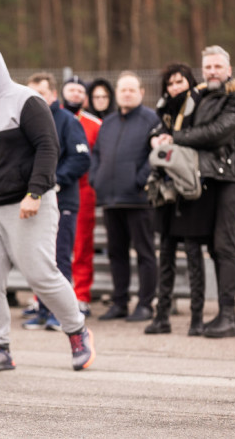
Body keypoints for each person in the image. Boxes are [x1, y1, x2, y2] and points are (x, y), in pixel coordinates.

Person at [0, 40, 95, 373]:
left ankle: (77, 331)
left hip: (28, 202)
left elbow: (48, 147)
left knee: (41, 274)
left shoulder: (26, 101)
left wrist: (35, 192)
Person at [171, 45, 235, 338]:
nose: (211, 72)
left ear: (229, 70)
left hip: (231, 179)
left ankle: (228, 317)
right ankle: (214, 316)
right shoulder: (202, 98)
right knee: (207, 245)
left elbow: (215, 133)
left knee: (224, 245)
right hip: (207, 178)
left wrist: (175, 138)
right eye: (207, 67)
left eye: (217, 67)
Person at [145, 63, 212, 336]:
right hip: (167, 191)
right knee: (167, 254)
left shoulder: (202, 106)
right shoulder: (164, 112)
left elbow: (204, 137)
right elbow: (154, 133)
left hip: (192, 190)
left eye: (180, 82)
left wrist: (172, 139)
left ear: (189, 82)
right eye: (170, 83)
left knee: (194, 255)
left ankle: (196, 319)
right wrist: (155, 139)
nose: (175, 88)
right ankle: (162, 316)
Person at [23, 72, 90, 330]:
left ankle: (61, 315)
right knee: (39, 258)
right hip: (34, 200)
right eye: (31, 93)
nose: (35, 98)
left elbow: (81, 158)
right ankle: (42, 309)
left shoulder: (68, 121)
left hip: (63, 201)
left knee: (60, 258)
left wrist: (52, 180)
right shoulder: (26, 121)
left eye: (41, 93)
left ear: (53, 94)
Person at [90, 71, 159, 322]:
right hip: (110, 199)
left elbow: (156, 156)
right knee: (116, 253)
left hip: (138, 200)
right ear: (116, 94)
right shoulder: (108, 123)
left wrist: (138, 180)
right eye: (122, 90)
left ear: (141, 92)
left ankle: (145, 304)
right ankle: (119, 302)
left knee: (144, 253)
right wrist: (95, 178)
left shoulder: (152, 119)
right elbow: (96, 153)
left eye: (131, 89)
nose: (126, 94)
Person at [62, 76, 104, 317]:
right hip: (55, 191)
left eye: (80, 90)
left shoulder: (95, 124)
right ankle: (45, 298)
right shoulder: (52, 118)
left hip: (84, 193)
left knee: (81, 245)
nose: (75, 94)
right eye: (71, 89)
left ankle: (81, 296)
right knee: (52, 247)